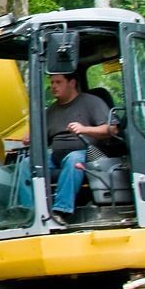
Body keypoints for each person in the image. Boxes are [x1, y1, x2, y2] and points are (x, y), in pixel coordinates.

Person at [40, 72, 113, 222]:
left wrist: (84, 129)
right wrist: (31, 138)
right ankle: (29, 210)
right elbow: (43, 140)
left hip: (88, 155)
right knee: (27, 164)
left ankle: (61, 211)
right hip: (56, 159)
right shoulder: (51, 111)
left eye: (58, 82)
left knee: (73, 159)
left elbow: (112, 130)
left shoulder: (92, 103)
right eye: (52, 82)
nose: (53, 86)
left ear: (72, 83)